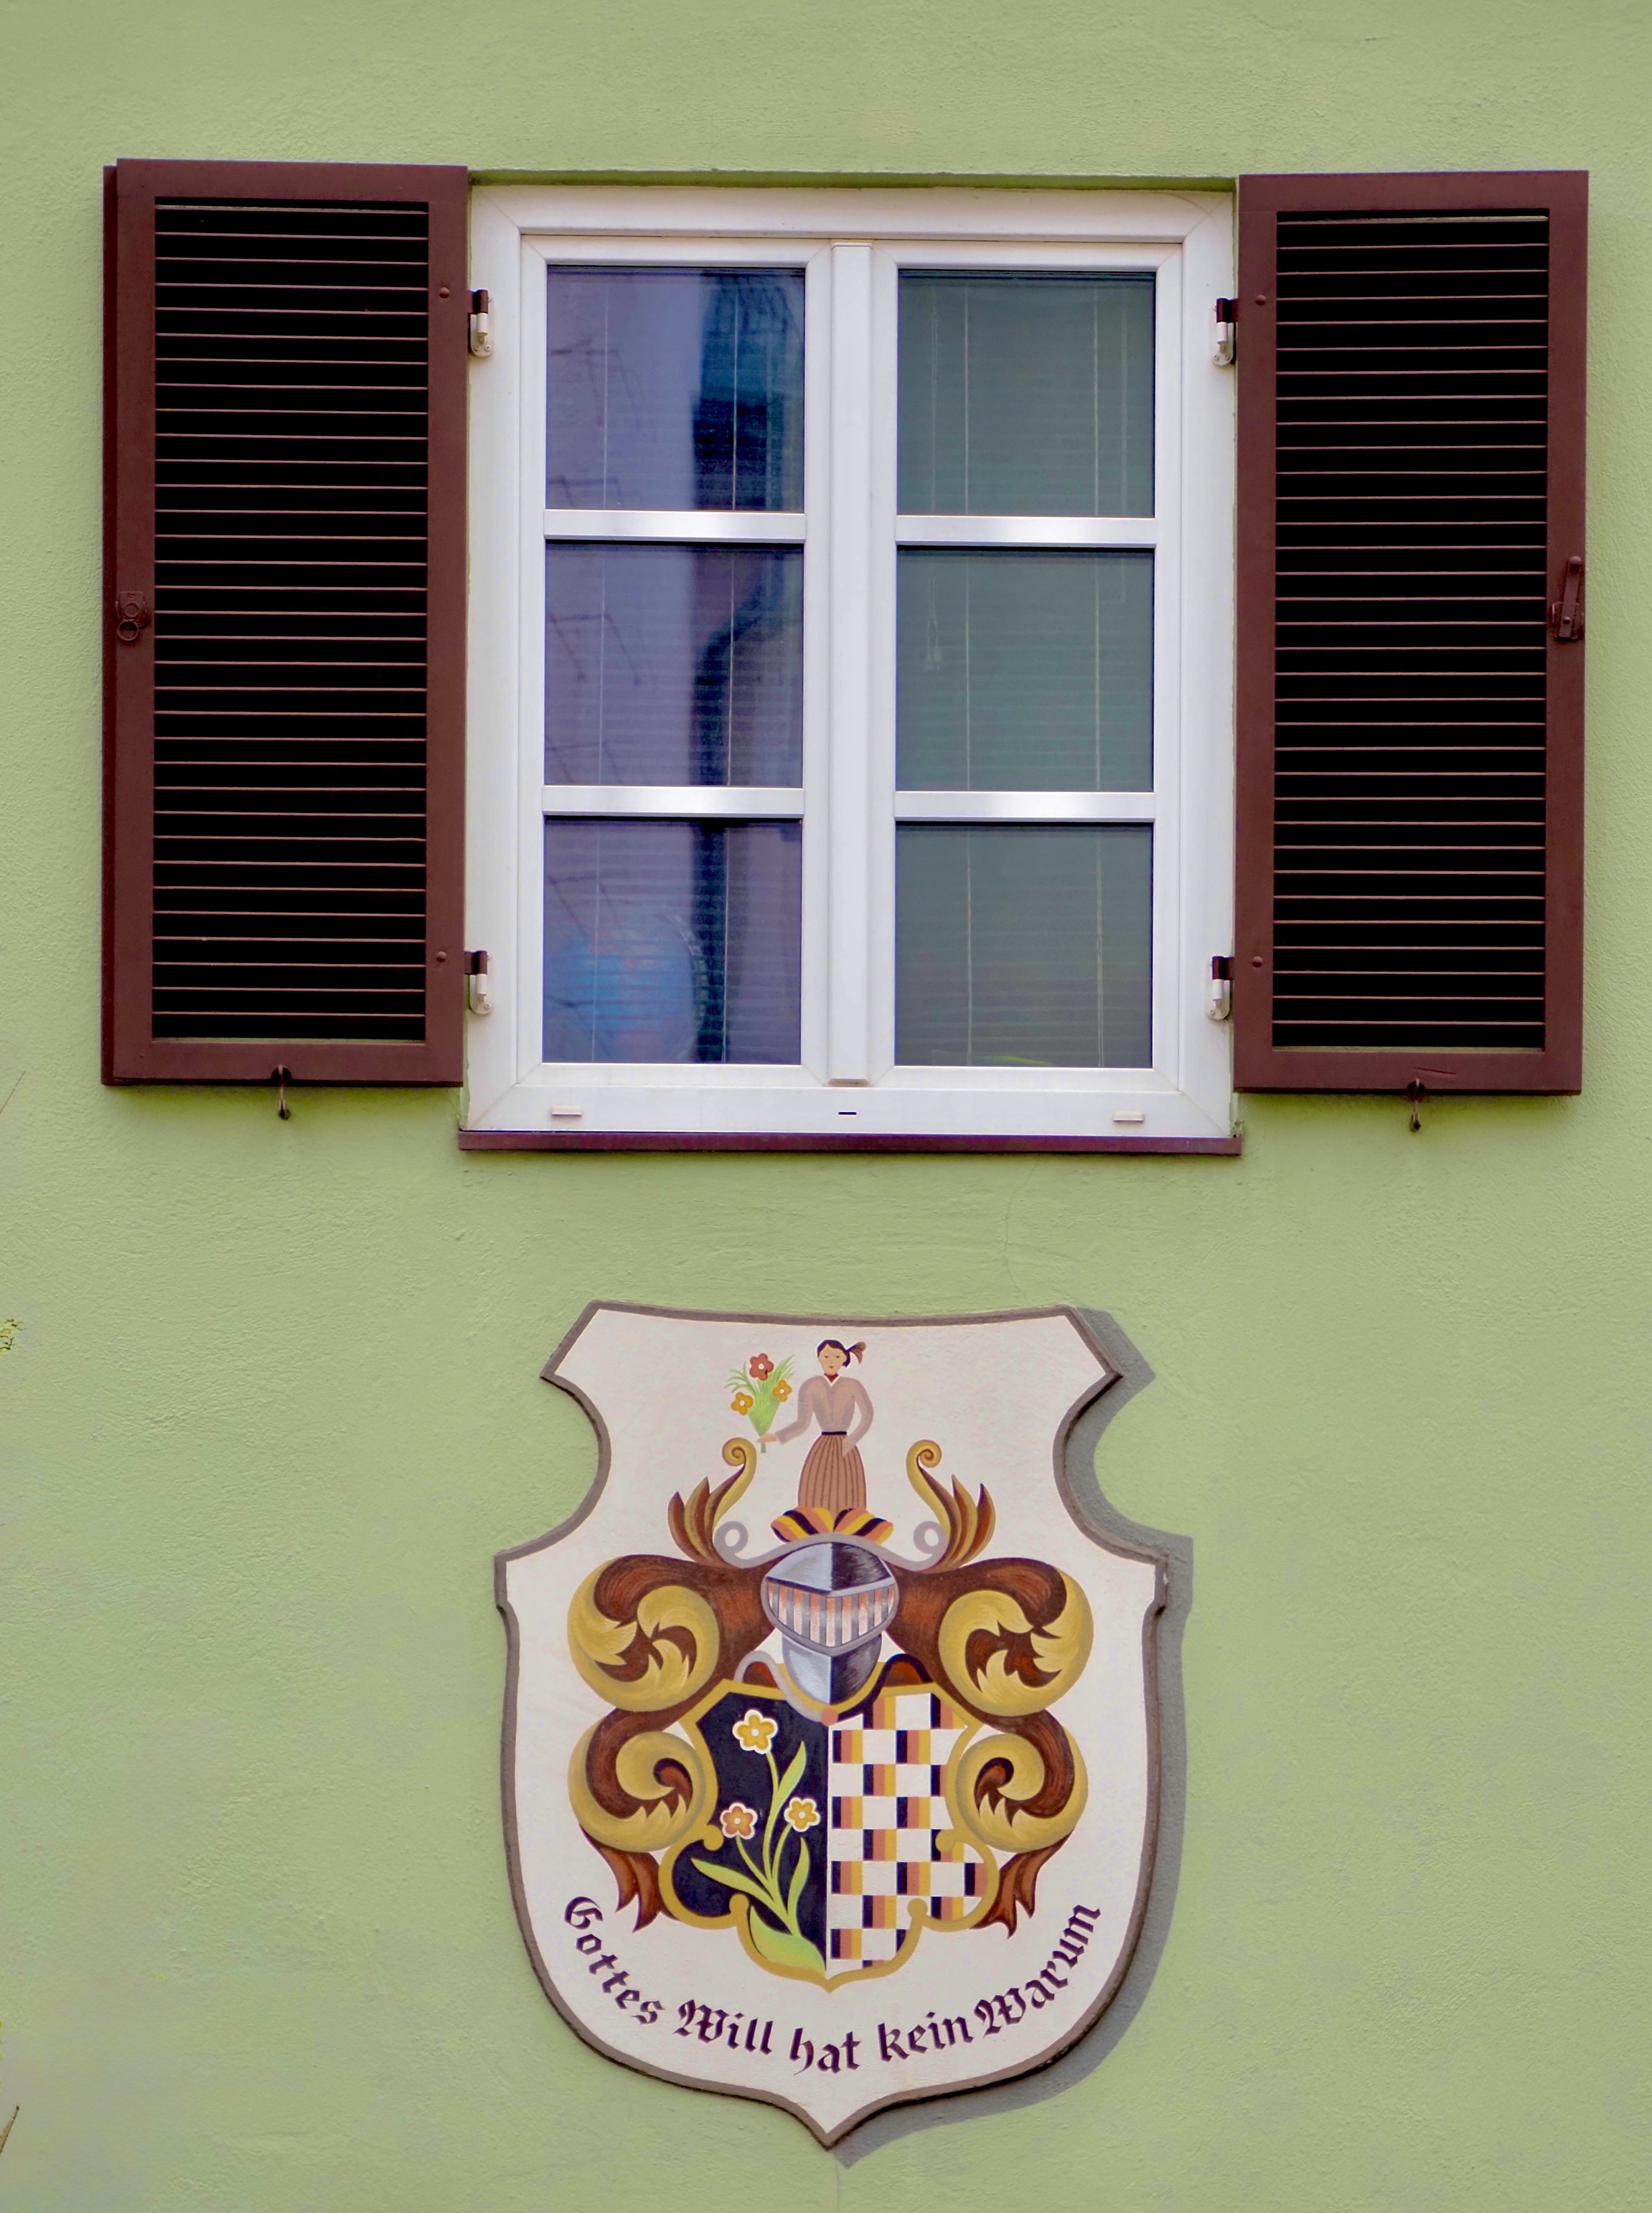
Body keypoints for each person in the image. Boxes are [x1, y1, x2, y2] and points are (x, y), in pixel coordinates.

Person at [765, 1339, 873, 1513]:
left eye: (837, 1357)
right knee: (818, 1491)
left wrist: (853, 1440)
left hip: (846, 1447)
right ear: (819, 1359)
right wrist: (778, 1436)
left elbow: (868, 1415)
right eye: (826, 1357)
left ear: (844, 1359)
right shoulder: (811, 1386)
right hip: (823, 1447)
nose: (831, 1361)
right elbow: (803, 1423)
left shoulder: (852, 1385)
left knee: (846, 1492)